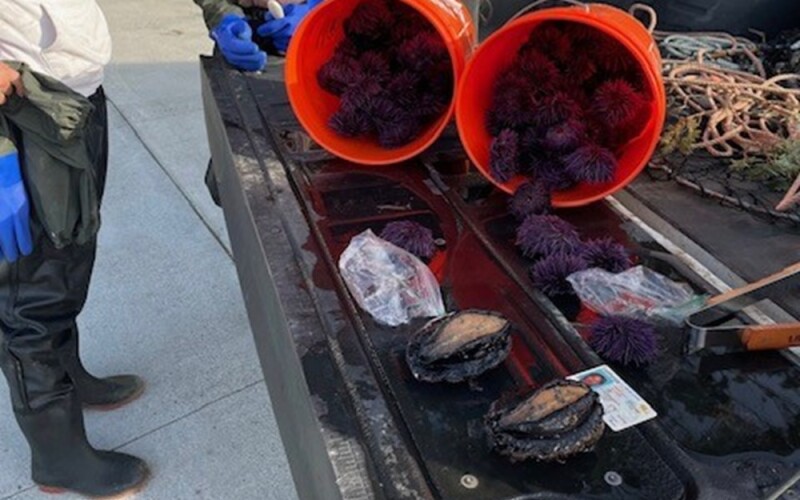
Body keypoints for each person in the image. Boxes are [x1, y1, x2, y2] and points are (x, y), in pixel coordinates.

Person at [0, 2, 149, 497]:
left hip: (72, 100)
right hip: (19, 116)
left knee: (69, 256)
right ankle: (57, 457)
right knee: (30, 294)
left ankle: (69, 376)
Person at [194, 0, 320, 205]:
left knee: (320, 185)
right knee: (236, 186)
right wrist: (224, 18)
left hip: (329, 42)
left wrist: (322, 12)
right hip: (247, 44)